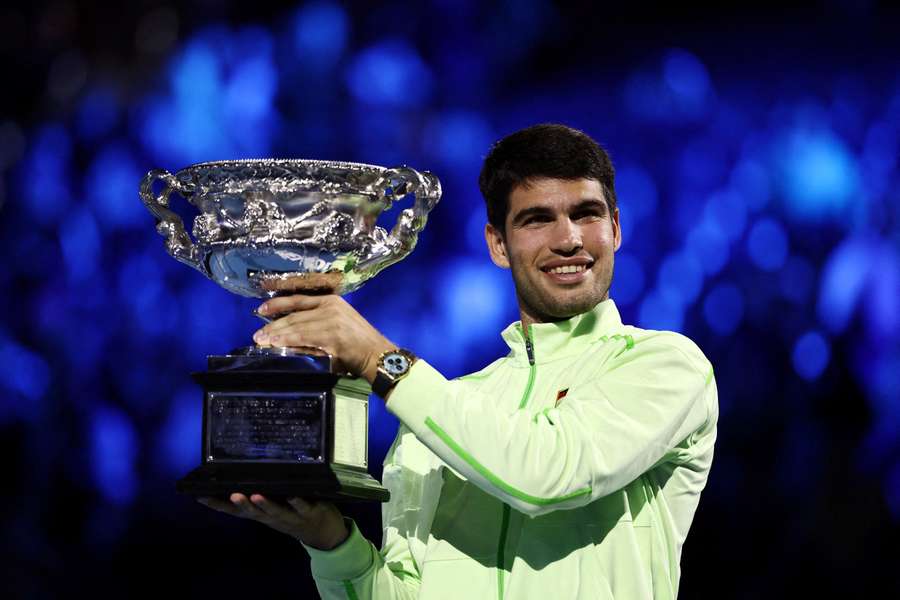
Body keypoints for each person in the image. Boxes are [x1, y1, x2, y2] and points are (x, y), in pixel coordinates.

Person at [198, 123, 718, 599]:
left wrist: (379, 358)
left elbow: (547, 474)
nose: (569, 239)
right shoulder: (441, 414)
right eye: (537, 219)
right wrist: (330, 543)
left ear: (616, 229)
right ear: (498, 244)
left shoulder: (665, 365)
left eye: (586, 213)